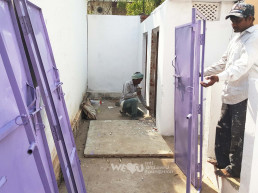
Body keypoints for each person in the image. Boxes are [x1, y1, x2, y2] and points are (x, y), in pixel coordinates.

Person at [201, 2, 258, 178]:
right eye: (232, 19)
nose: (233, 23)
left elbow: (242, 66)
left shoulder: (254, 37)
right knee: (222, 128)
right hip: (230, 92)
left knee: (237, 134)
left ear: (250, 18)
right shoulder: (237, 37)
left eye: (237, 19)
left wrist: (218, 78)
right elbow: (224, 61)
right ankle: (223, 162)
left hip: (244, 94)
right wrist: (202, 71)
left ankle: (235, 169)